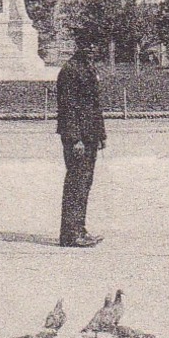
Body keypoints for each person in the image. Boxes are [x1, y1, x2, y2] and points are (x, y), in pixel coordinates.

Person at [55, 40, 107, 248]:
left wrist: (101, 134)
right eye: (89, 46)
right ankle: (70, 234)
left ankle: (79, 228)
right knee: (76, 184)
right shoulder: (70, 71)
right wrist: (74, 138)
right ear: (80, 47)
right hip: (78, 138)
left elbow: (95, 105)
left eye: (94, 46)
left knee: (84, 183)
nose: (93, 49)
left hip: (90, 135)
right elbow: (67, 107)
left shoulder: (88, 68)